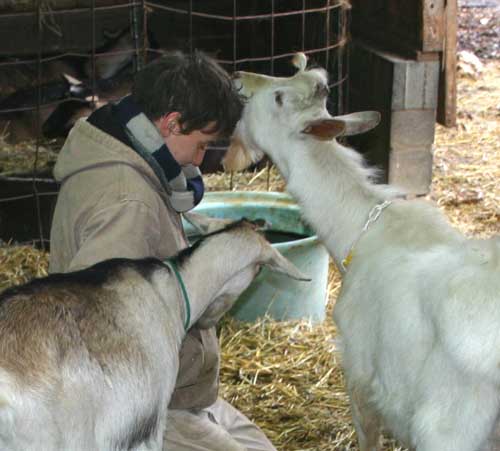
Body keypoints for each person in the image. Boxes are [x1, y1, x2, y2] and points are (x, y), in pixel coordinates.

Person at [49, 50, 276, 451]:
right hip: (151, 408)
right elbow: (99, 324)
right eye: (203, 145)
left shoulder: (135, 157)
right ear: (171, 123)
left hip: (184, 390)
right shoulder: (127, 201)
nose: (202, 161)